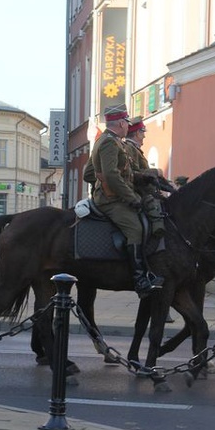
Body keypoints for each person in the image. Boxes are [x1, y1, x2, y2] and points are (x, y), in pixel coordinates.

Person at [84, 104, 163, 299]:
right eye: (126, 122)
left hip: (115, 194)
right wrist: (131, 197)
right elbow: (111, 175)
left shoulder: (113, 141)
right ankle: (139, 279)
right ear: (120, 123)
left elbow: (92, 174)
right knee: (135, 228)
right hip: (111, 199)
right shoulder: (110, 143)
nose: (128, 126)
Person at [122, 116, 166, 237]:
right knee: (153, 209)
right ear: (137, 133)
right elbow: (135, 172)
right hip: (139, 191)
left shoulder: (134, 149)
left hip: (144, 189)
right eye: (142, 132)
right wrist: (156, 172)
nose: (144, 136)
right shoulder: (129, 149)